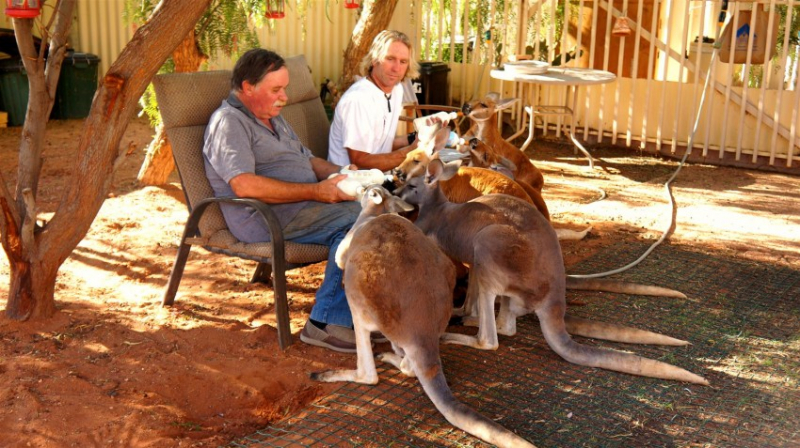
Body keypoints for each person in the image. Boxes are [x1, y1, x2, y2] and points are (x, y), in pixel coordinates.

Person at [203, 48, 362, 353]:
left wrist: (344, 173)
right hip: (268, 219)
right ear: (248, 87)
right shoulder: (229, 122)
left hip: (302, 208)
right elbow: (244, 185)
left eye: (284, 88)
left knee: (376, 211)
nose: (284, 97)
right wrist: (316, 192)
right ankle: (325, 321)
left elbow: (309, 161)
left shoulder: (272, 118)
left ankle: (355, 314)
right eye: (276, 89)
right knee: (363, 222)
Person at [328, 30, 420, 172]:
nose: (396, 68)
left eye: (403, 62)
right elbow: (360, 161)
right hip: (352, 184)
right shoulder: (359, 99)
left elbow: (379, 144)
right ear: (374, 59)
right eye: (390, 59)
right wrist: (411, 152)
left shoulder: (396, 89)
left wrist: (417, 138)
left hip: (380, 177)